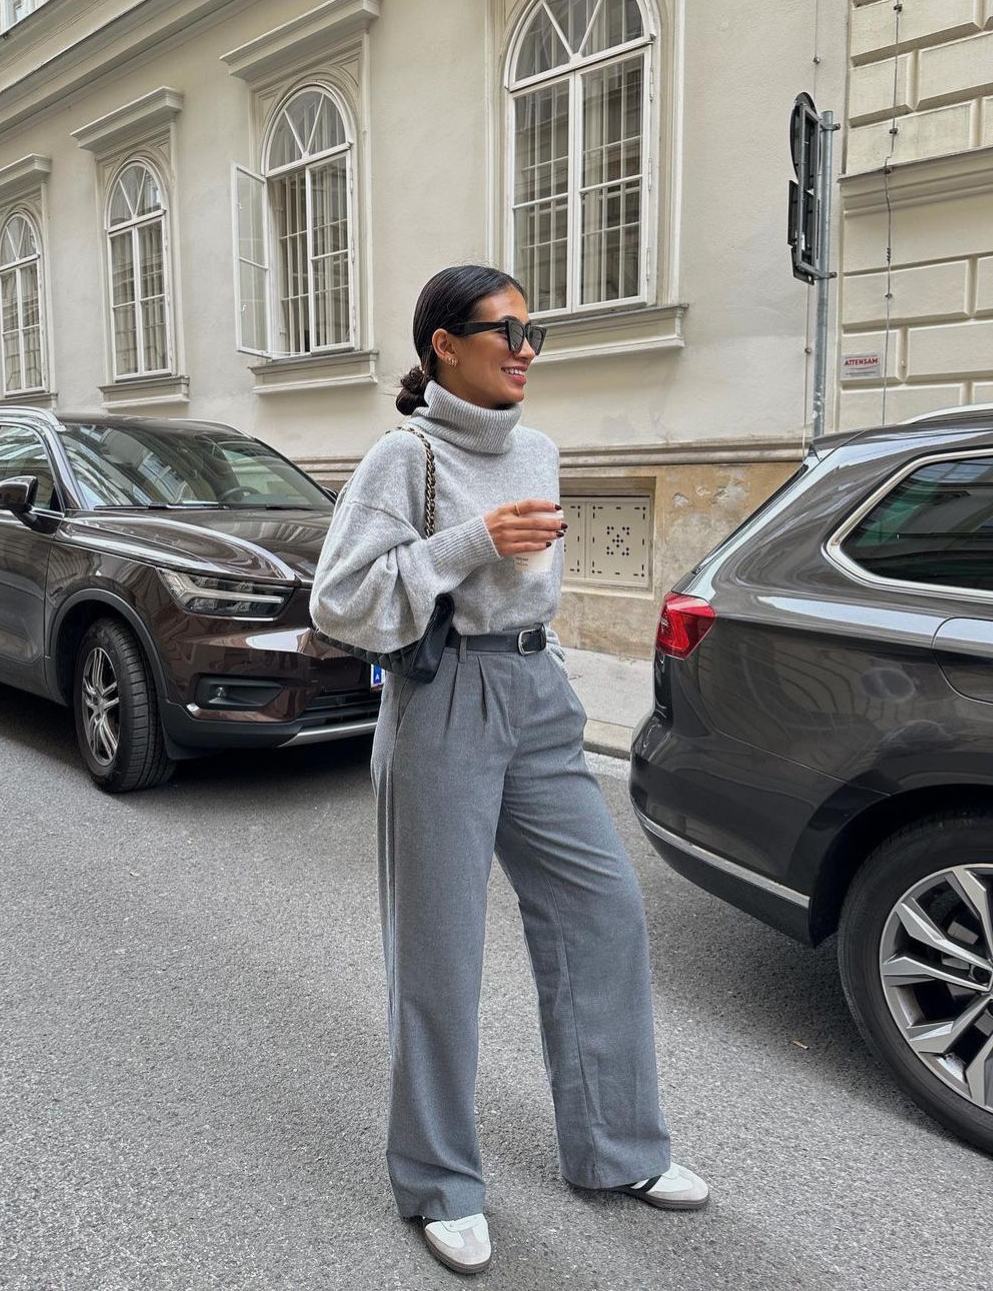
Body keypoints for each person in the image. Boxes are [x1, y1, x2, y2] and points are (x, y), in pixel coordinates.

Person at [310, 264, 707, 1276]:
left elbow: (533, 582)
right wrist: (468, 542)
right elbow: (338, 599)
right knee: (439, 952)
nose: (527, 350)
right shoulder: (403, 457)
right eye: (507, 332)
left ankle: (616, 1149)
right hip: (446, 700)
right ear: (444, 345)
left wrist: (545, 650)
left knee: (604, 912)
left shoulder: (536, 448)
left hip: (538, 693)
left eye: (536, 333)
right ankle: (439, 1182)